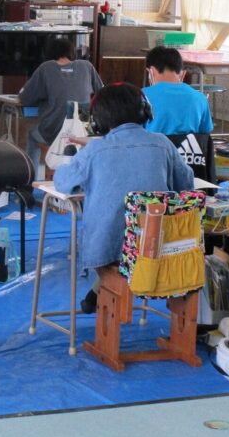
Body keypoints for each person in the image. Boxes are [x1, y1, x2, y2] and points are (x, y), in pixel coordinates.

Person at [53, 83, 194, 313]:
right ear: (146, 112)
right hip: (159, 245)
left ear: (98, 121)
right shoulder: (162, 143)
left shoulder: (95, 150)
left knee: (116, 248)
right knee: (135, 243)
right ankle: (96, 294)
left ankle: (98, 293)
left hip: (108, 249)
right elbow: (186, 184)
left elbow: (63, 182)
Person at [19, 37, 103, 178]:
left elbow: (26, 98)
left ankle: (30, 179)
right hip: (84, 131)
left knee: (32, 136)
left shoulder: (46, 68)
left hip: (54, 131)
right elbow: (102, 93)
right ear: (71, 51)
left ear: (49, 53)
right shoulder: (87, 66)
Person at [142, 46, 213, 135]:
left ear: (151, 71)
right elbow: (205, 133)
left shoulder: (142, 95)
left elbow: (132, 130)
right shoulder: (200, 98)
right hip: (189, 144)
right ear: (181, 72)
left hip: (153, 144)